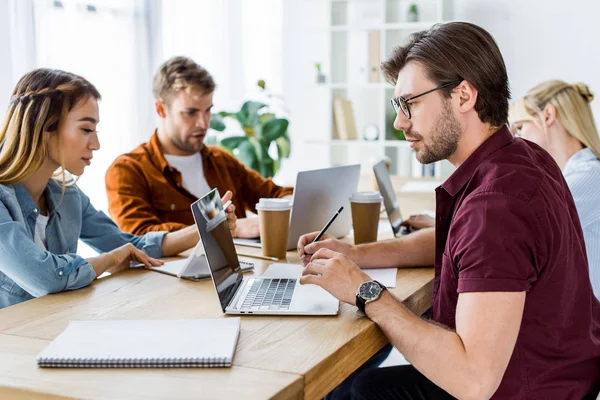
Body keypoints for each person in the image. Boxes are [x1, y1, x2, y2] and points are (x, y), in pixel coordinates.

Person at [297, 22, 600, 399]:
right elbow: (461, 247)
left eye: (411, 103)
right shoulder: (524, 157)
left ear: (463, 96)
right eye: (398, 105)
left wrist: (366, 291)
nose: (399, 121)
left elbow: (473, 381)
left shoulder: (495, 206)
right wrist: (356, 255)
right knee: (360, 385)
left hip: (519, 387)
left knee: (355, 392)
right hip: (559, 375)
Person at [0, 68, 236, 310]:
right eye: (86, 129)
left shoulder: (68, 195)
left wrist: (205, 227)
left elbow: (131, 247)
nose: (96, 144)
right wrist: (109, 260)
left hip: (51, 326)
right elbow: (45, 276)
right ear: (44, 127)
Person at [105, 56, 292, 239]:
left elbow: (278, 195)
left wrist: (284, 208)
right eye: (191, 113)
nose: (203, 123)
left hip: (244, 269)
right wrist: (223, 228)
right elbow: (139, 238)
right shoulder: (128, 170)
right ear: (161, 109)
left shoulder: (221, 161)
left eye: (208, 110)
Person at [509, 80, 600, 299]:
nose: (516, 139)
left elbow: (520, 224)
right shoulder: (567, 177)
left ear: (548, 115)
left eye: (520, 127)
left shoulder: (590, 176)